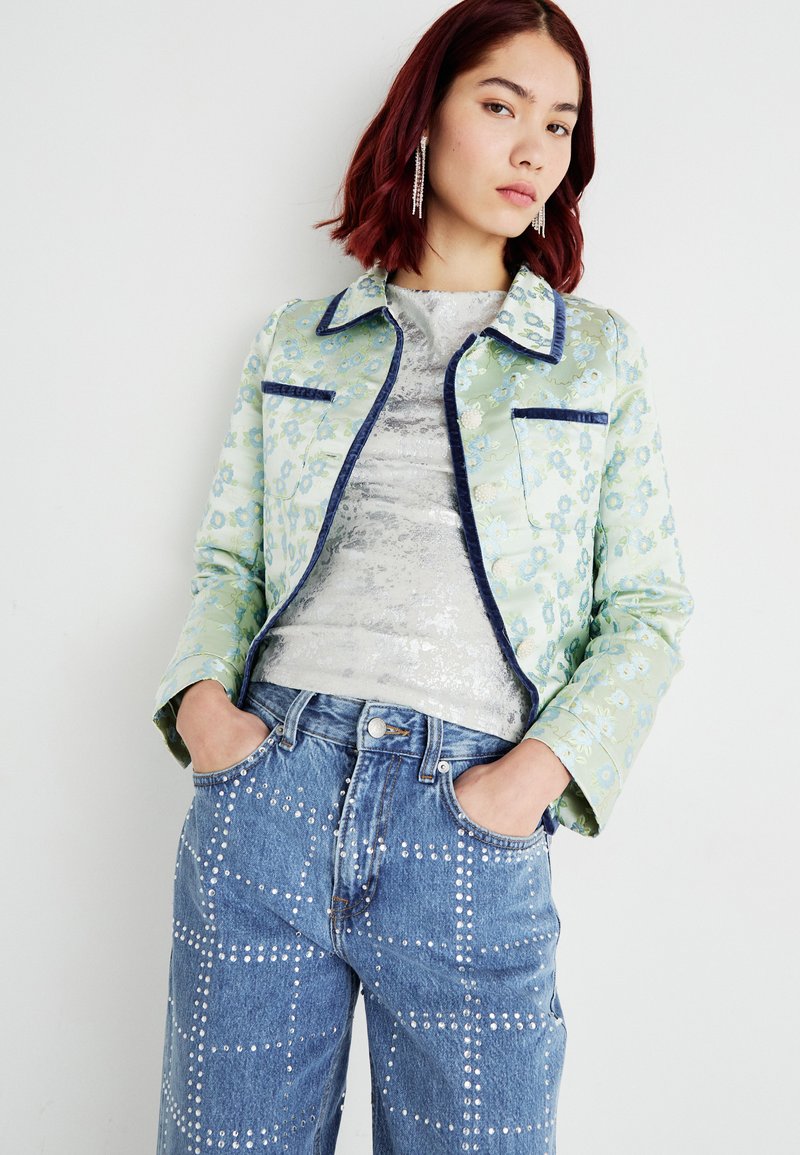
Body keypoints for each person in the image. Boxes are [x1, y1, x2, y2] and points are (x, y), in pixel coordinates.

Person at [153, 1, 694, 1151]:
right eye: (500, 106)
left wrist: (529, 778)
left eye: (558, 124)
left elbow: (645, 611)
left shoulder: (592, 356)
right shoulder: (295, 341)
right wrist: (205, 710)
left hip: (468, 818)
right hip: (269, 793)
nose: (531, 148)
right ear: (423, 118)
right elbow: (228, 561)